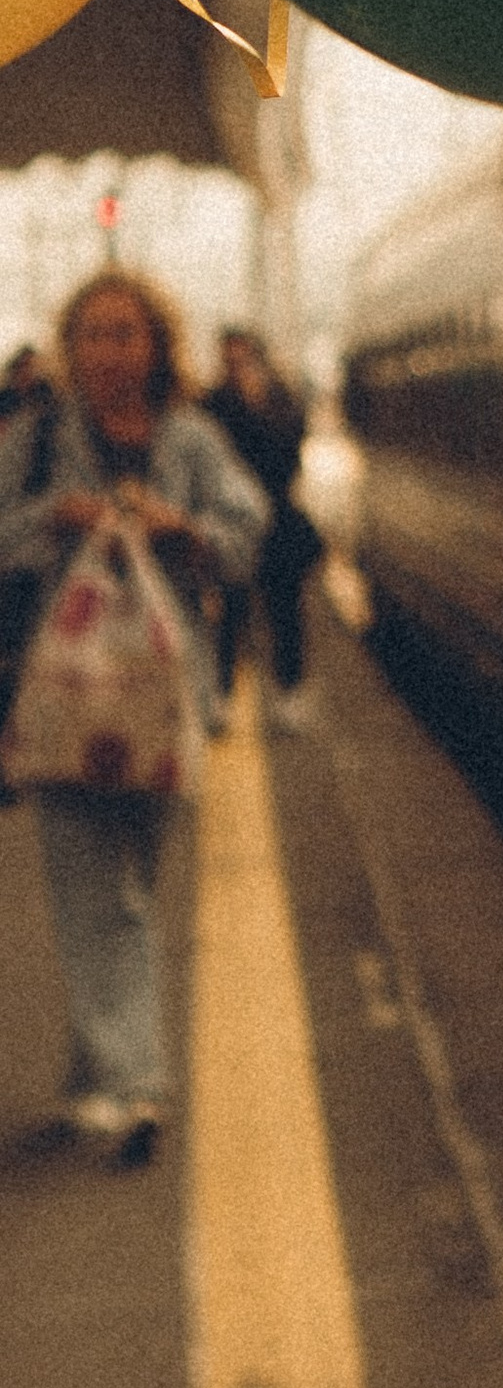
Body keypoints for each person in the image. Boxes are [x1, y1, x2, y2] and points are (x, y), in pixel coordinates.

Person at [0, 272, 266, 1167]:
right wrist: (53, 518)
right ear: (70, 349)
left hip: (159, 701)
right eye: (94, 335)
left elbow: (247, 526)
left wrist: (179, 527)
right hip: (60, 703)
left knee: (131, 895)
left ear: (157, 344)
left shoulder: (188, 440)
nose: (111, 352)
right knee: (98, 900)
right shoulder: (35, 441)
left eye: (127, 334)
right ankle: (139, 1083)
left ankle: (91, 1078)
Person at [201, 325, 322, 733]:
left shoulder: (281, 400)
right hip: (229, 524)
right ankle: (220, 696)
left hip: (278, 524)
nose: (236, 368)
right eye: (229, 360)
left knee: (285, 612)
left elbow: (289, 458)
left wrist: (254, 407)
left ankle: (289, 693)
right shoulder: (213, 404)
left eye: (243, 359)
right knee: (227, 614)